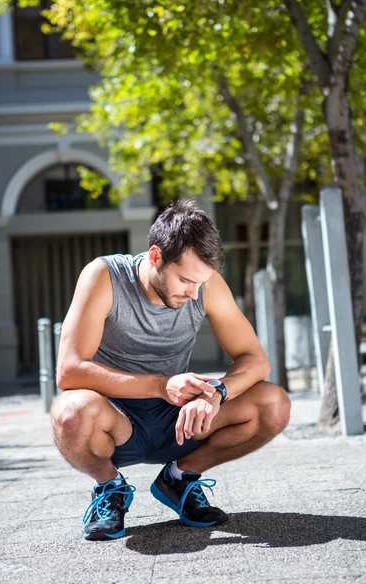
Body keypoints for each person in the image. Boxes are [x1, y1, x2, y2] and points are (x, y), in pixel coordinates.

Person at [51, 199, 290, 541]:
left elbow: (255, 358)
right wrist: (160, 385)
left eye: (200, 282)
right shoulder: (104, 276)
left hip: (178, 422)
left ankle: (178, 479)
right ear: (155, 257)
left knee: (274, 403)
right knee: (69, 411)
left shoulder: (206, 286)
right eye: (185, 280)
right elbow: (69, 371)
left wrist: (217, 394)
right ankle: (110, 487)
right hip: (113, 421)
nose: (194, 294)